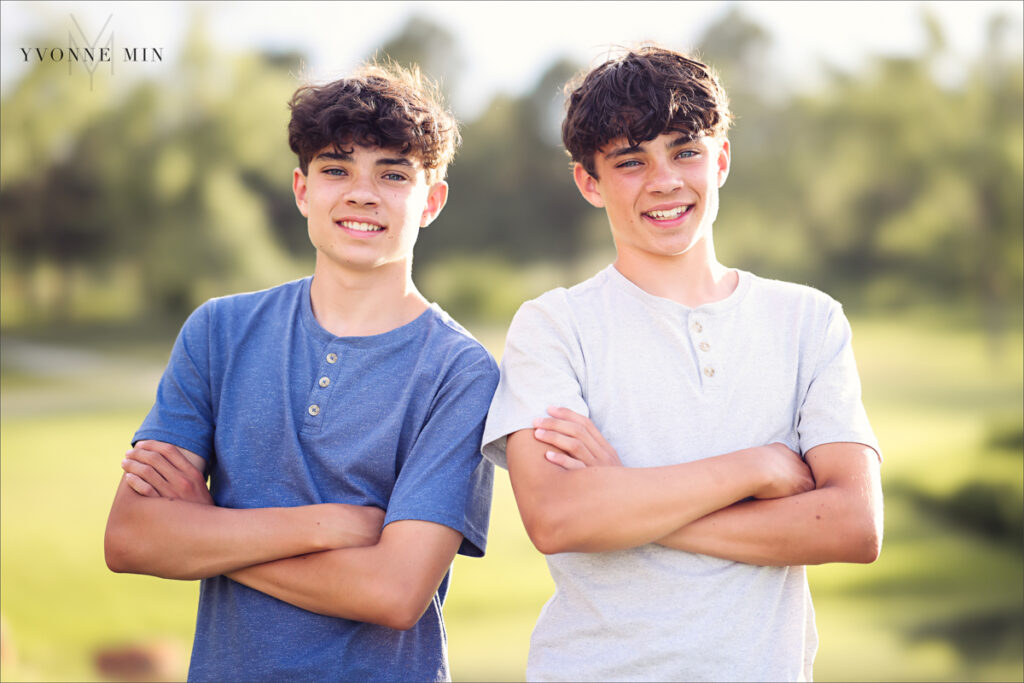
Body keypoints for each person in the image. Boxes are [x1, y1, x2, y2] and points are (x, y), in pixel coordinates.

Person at [481, 45, 883, 682]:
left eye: (685, 151)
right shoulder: (553, 325)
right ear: (589, 181)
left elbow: (853, 526)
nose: (664, 180)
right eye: (630, 161)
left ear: (720, 159)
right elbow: (559, 518)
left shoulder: (809, 320)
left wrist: (625, 501)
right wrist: (756, 467)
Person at [104, 62, 499, 682]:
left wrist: (204, 531)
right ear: (302, 189)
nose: (361, 193)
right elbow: (131, 539)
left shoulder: (460, 372)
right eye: (336, 170)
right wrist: (327, 525)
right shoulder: (219, 332)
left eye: (393, 174)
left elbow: (394, 593)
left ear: (433, 200)